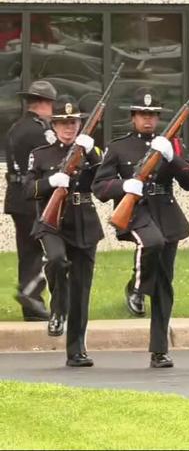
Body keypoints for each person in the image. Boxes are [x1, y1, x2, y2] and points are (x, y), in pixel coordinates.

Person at [92, 88, 189, 368]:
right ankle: (138, 288)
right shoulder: (119, 147)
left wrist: (172, 157)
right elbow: (99, 187)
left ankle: (159, 350)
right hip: (136, 211)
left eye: (153, 115)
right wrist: (124, 185)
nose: (148, 119)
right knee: (152, 242)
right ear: (133, 117)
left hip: (166, 213)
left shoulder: (170, 144)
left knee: (164, 284)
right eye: (142, 114)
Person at [23, 96, 103, 366]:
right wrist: (50, 182)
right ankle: (58, 308)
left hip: (84, 222)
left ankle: (76, 350)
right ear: (54, 125)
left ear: (80, 124)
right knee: (56, 260)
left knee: (81, 288)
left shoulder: (91, 152)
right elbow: (27, 189)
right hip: (53, 223)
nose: (69, 127)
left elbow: (104, 185)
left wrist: (93, 154)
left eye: (73, 122)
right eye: (63, 123)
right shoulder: (41, 154)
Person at [5, 80, 58, 321]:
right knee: (47, 249)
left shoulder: (16, 127)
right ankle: (30, 292)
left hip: (16, 197)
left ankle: (32, 309)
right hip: (33, 196)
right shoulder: (41, 131)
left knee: (27, 251)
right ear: (44, 103)